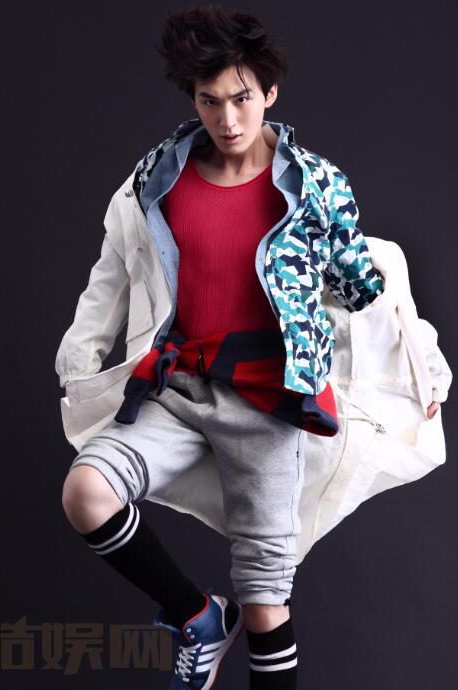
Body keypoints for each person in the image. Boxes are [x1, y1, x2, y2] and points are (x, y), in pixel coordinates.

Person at [58, 5, 434, 689]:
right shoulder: (159, 175)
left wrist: (423, 370)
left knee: (265, 604)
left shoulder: (316, 186)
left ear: (269, 92)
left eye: (241, 98)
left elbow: (370, 290)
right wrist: (80, 359)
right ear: (193, 99)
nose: (228, 119)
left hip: (269, 402)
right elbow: (114, 266)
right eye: (210, 101)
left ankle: (237, 619)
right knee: (87, 493)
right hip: (178, 388)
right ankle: (199, 618)